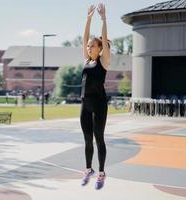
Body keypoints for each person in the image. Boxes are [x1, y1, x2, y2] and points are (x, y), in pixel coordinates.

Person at [80, 3, 111, 190]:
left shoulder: (104, 60)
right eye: (89, 46)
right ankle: (88, 169)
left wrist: (103, 19)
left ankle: (101, 173)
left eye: (93, 46)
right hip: (85, 104)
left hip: (99, 104)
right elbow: (84, 39)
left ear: (100, 49)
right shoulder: (86, 60)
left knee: (99, 137)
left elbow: (104, 38)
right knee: (87, 139)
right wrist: (88, 18)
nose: (89, 47)